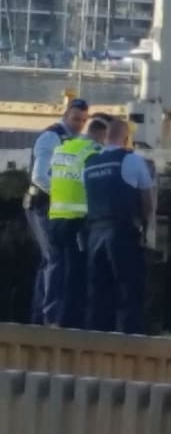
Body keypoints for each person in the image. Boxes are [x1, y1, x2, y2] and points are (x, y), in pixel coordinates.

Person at [83, 118, 155, 333]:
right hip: (121, 231)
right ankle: (126, 342)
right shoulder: (131, 160)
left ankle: (95, 342)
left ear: (105, 137)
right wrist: (146, 225)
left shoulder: (90, 162)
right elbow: (146, 197)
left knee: (97, 291)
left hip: (95, 232)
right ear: (126, 139)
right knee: (128, 289)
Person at [25, 98, 89, 323]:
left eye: (83, 120)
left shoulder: (77, 141)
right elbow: (39, 176)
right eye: (75, 119)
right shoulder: (51, 137)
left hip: (56, 209)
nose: (79, 124)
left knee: (50, 261)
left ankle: (42, 315)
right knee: (54, 258)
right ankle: (48, 316)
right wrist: (61, 193)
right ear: (65, 116)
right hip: (41, 205)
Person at [44, 113, 110, 328]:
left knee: (55, 270)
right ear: (101, 133)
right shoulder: (93, 152)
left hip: (55, 218)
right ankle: (68, 323)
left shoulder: (63, 148)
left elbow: (48, 175)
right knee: (76, 274)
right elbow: (97, 186)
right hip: (78, 222)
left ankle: (49, 317)